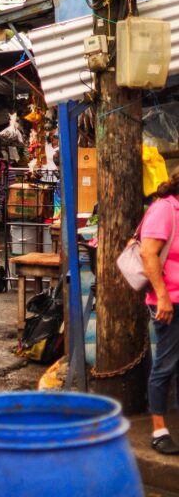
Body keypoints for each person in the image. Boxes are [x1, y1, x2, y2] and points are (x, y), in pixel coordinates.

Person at [140, 171, 179, 454]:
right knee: (165, 363)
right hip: (169, 300)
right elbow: (148, 253)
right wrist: (162, 297)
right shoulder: (165, 209)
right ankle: (158, 428)